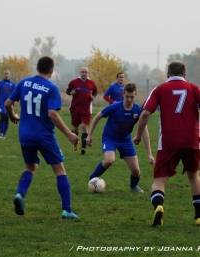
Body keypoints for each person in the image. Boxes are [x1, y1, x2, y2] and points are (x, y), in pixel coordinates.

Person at [4, 56, 80, 219]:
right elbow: (51, 113)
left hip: (25, 134)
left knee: (30, 167)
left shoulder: (23, 83)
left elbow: (7, 104)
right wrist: (68, 133)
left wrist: (12, 116)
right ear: (51, 71)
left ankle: (19, 194)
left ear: (37, 67)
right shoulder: (51, 88)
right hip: (44, 135)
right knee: (59, 169)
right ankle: (67, 210)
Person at [133, 61, 200, 227]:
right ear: (184, 75)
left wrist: (138, 135)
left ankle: (159, 206)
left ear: (167, 74)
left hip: (169, 141)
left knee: (160, 179)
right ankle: (199, 216)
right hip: (192, 139)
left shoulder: (160, 89)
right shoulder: (194, 89)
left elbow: (145, 114)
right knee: (193, 176)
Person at [86, 83, 154, 193]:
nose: (129, 99)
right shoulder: (114, 107)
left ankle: (134, 187)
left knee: (136, 170)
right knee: (109, 160)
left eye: (132, 97)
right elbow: (97, 116)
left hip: (125, 140)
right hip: (110, 138)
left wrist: (149, 154)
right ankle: (92, 180)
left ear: (135, 95)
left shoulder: (138, 110)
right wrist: (89, 135)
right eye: (127, 96)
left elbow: (144, 132)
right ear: (123, 94)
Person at [66, 67, 98, 155]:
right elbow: (67, 90)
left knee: (84, 127)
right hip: (75, 108)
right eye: (83, 72)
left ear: (88, 73)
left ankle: (83, 148)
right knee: (75, 128)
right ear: (80, 72)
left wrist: (93, 97)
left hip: (86, 109)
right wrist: (70, 92)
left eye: (86, 72)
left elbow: (95, 91)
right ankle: (75, 143)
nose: (84, 73)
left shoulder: (91, 82)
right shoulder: (74, 81)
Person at [0, 69, 16, 139]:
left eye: (7, 73)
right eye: (5, 73)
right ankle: (1, 133)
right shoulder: (0, 83)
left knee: (6, 118)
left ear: (10, 74)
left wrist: (13, 104)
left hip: (9, 104)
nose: (6, 75)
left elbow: (14, 95)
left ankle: (4, 134)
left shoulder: (12, 84)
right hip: (1, 103)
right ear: (3, 74)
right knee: (2, 116)